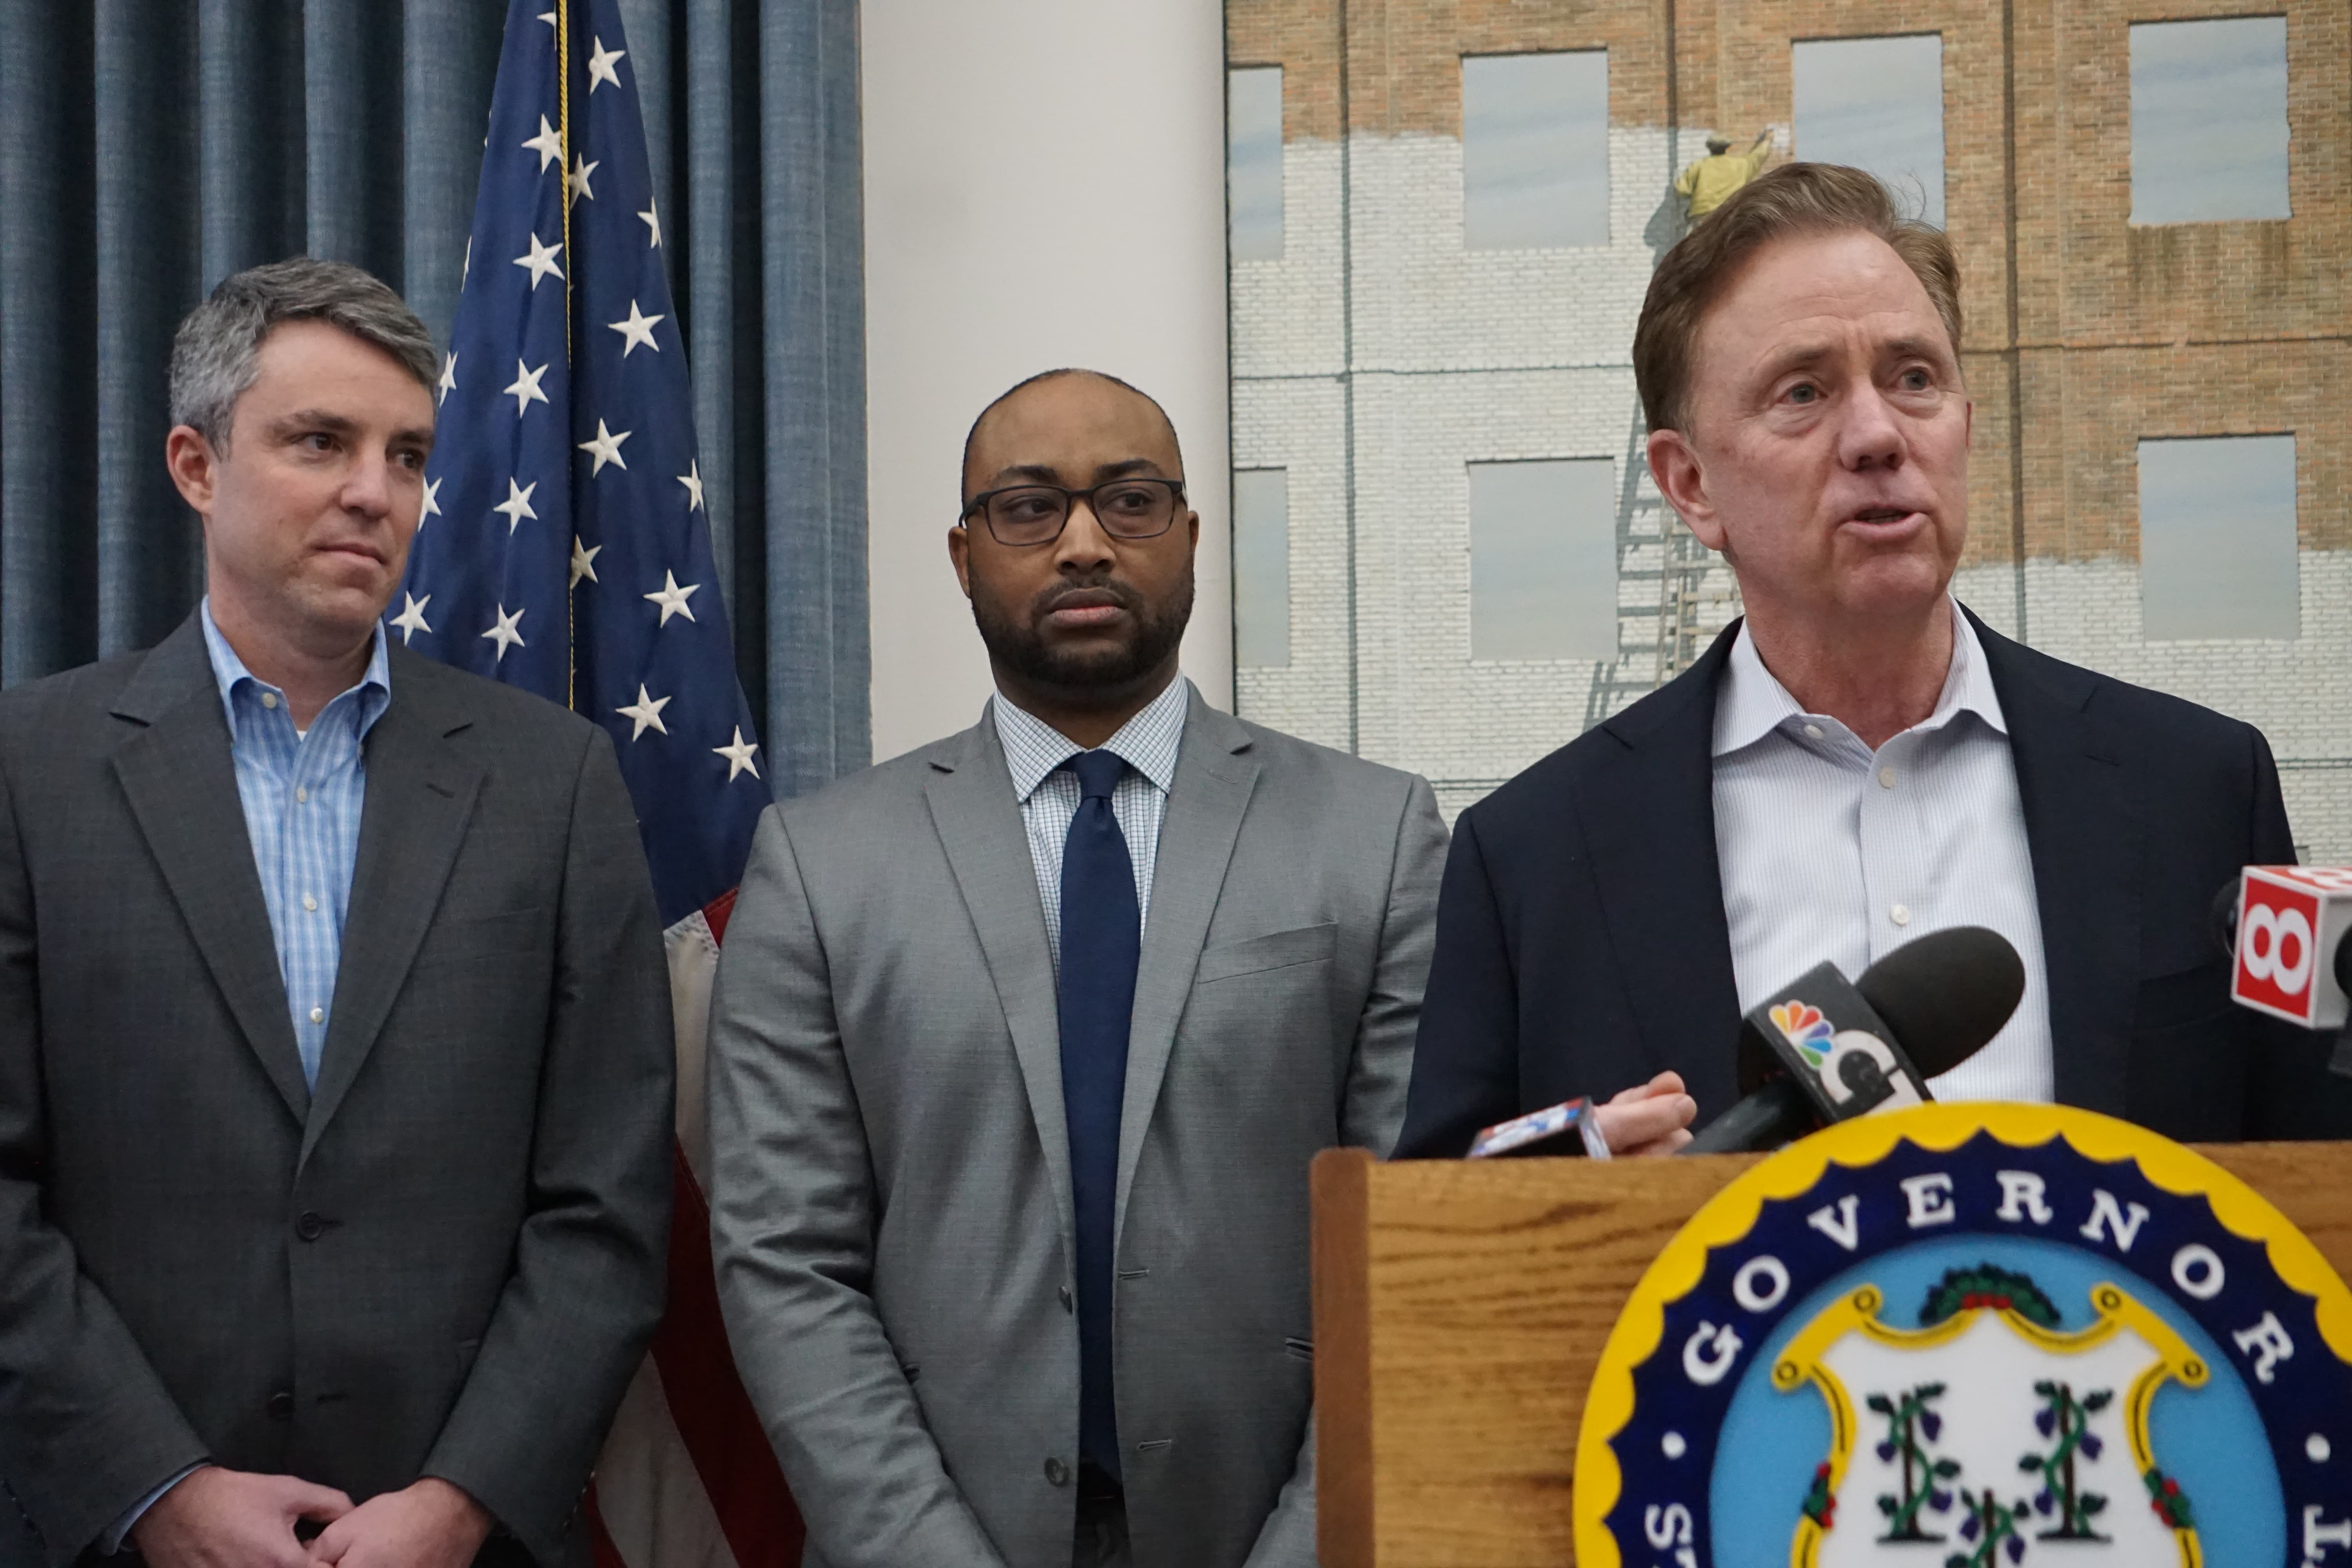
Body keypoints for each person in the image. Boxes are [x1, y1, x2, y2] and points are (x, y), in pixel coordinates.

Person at [703, 369, 1690, 1568]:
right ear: (963, 556)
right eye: (1028, 509)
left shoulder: (1371, 839)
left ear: (1189, 535)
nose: (1081, 544)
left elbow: (1407, 1233)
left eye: (1128, 502)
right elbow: (783, 1259)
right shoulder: (819, 866)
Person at [1396, 164, 2352, 1160]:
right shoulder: (1535, 858)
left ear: (1964, 427)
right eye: (1803, 392)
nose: (1877, 435)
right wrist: (1576, 1200)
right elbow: (1434, 1227)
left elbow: (2319, 1190)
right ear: (1690, 486)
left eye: (1914, 378)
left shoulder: (2195, 788)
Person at [0, 260, 675, 1568]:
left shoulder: (554, 783)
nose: (377, 491)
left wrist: (462, 1500)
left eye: (408, 454)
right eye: (322, 443)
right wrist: (157, 1490)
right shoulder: (30, 771)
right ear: (197, 467)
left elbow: (605, 1202)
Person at [1674, 126, 1784, 221]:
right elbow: (1758, 156)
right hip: (1729, 215)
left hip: (1702, 216)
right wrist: (1767, 140)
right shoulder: (1740, 165)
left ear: (1710, 148)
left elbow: (1682, 190)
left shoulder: (1698, 166)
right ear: (1728, 147)